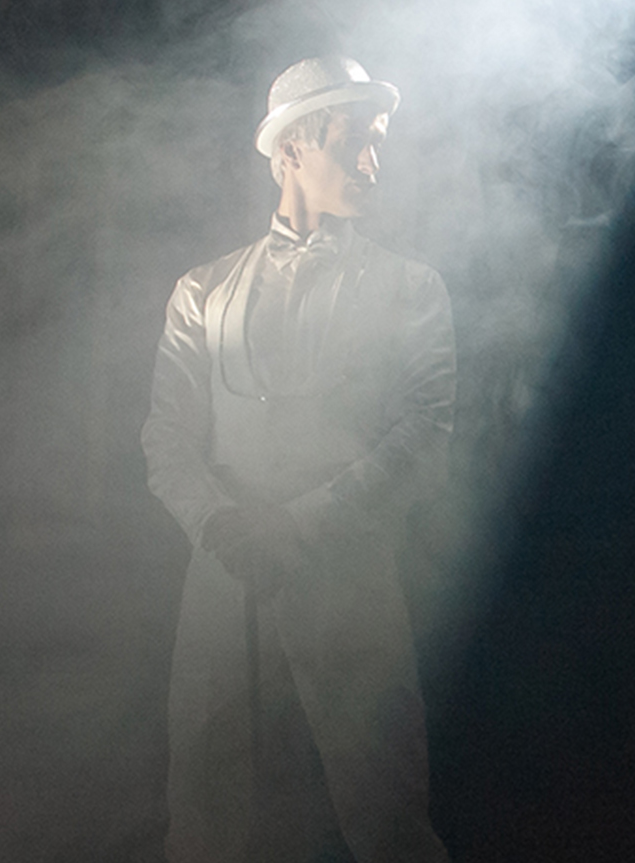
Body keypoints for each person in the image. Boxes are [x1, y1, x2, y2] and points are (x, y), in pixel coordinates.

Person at [142, 56, 453, 863]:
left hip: (351, 582)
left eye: (378, 142)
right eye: (353, 142)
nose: (372, 163)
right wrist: (219, 524)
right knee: (204, 821)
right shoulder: (200, 290)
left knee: (388, 821)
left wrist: (301, 523)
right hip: (224, 586)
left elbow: (425, 435)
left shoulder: (411, 289)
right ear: (289, 152)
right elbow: (165, 438)